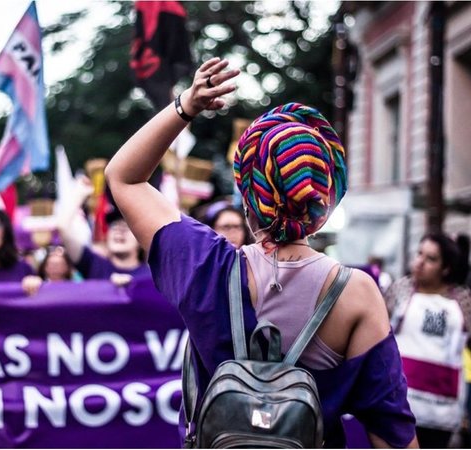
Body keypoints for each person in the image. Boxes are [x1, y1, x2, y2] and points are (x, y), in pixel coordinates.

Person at [104, 57, 418, 447]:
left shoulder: (205, 264)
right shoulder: (357, 292)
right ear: (321, 206)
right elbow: (390, 429)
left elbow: (123, 177)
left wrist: (187, 105)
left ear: (248, 200)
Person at [385, 233, 471, 448]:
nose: (420, 262)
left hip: (441, 410)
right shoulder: (401, 290)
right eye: (419, 254)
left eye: (431, 259)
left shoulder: (462, 300)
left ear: (445, 268)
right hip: (400, 402)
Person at [59, 175, 150, 285]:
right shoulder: (93, 264)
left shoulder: (153, 275)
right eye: (114, 227)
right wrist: (80, 193)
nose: (119, 231)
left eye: (126, 228)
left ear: (140, 241)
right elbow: (63, 227)